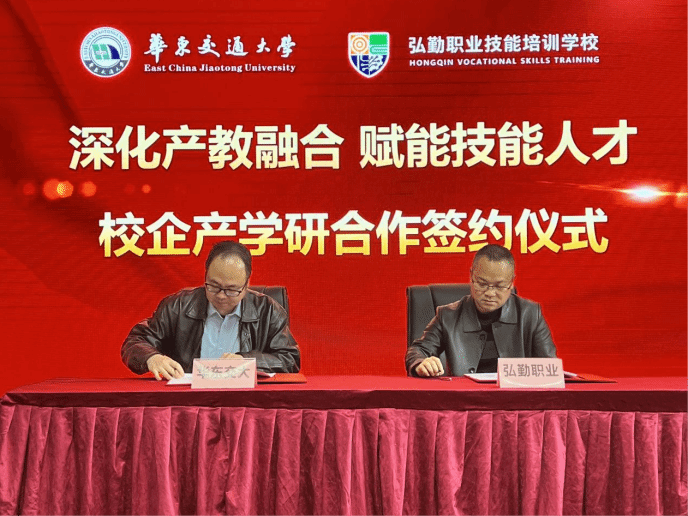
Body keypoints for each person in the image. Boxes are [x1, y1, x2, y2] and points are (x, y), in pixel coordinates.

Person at [122, 240, 300, 380]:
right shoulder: (178, 305)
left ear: (246, 285)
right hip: (188, 399)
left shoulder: (268, 310)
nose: (221, 296)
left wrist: (247, 361)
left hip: (246, 399)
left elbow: (290, 360)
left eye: (231, 290)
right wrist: (152, 358)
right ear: (205, 276)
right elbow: (135, 341)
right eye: (214, 286)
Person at [406, 244, 556, 377]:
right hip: (464, 397)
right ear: (471, 276)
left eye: (499, 286)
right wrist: (421, 363)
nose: (490, 293)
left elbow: (549, 368)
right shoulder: (448, 316)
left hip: (515, 397)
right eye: (482, 284)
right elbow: (418, 350)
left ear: (511, 283)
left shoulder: (530, 314)